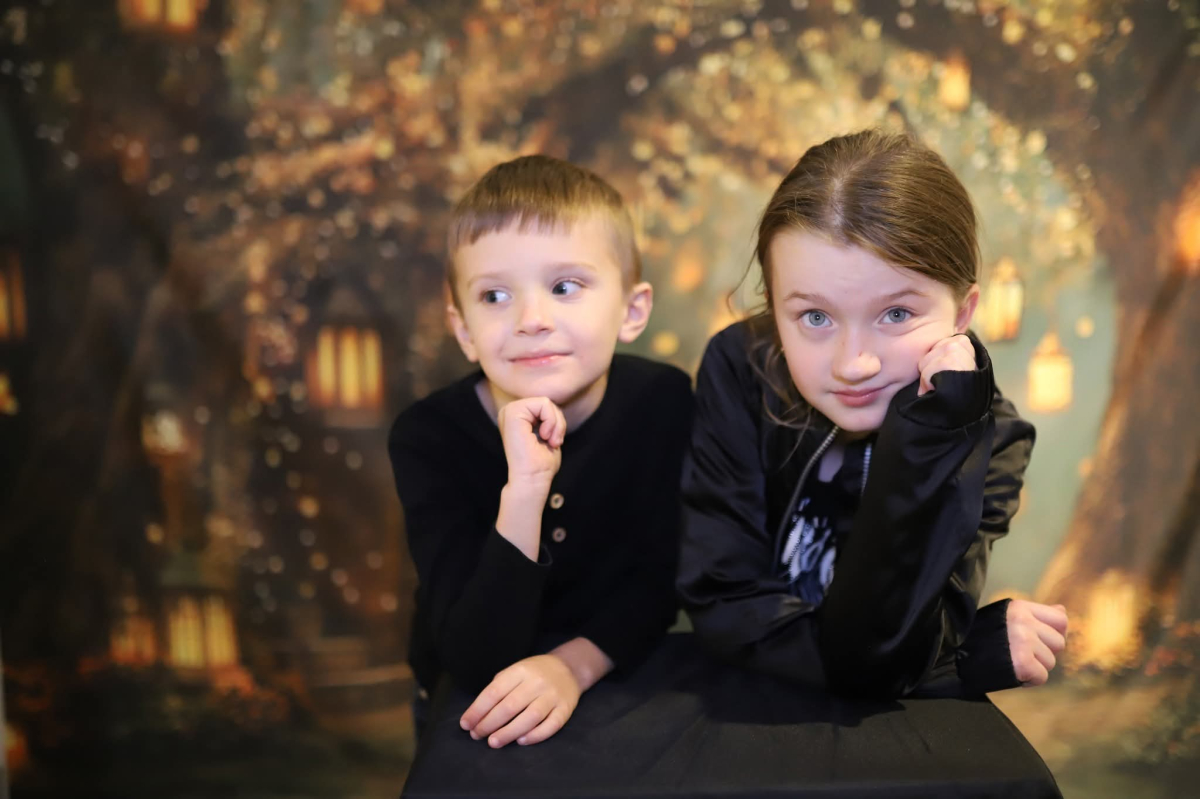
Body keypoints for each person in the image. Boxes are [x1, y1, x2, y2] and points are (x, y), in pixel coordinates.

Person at [677, 129, 1069, 698]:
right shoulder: (740, 368)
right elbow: (725, 605)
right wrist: (962, 660)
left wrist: (930, 440)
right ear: (775, 308)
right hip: (739, 711)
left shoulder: (994, 439)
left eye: (896, 314)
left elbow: (900, 644)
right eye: (815, 317)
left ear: (963, 312)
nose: (854, 364)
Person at [388, 155, 693, 748]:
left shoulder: (663, 402)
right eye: (495, 295)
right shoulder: (428, 437)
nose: (531, 319)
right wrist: (525, 489)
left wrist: (571, 667)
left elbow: (659, 581)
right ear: (463, 328)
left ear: (631, 310)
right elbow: (475, 659)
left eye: (564, 287)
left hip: (611, 675)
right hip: (474, 708)